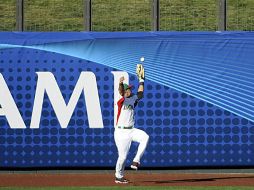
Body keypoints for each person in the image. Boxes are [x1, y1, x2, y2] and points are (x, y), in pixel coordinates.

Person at [114, 64, 149, 184]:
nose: (128, 90)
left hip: (131, 130)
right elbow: (120, 91)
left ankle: (136, 160)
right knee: (122, 157)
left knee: (145, 137)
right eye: (126, 89)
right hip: (121, 132)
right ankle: (118, 176)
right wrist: (120, 84)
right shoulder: (121, 101)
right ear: (123, 92)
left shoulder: (133, 99)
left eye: (129, 89)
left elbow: (140, 94)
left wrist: (141, 80)